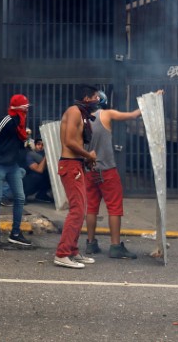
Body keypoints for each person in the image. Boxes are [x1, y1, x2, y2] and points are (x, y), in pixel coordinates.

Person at [84, 90, 163, 259]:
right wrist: (152, 99)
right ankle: (115, 246)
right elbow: (133, 114)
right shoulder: (106, 114)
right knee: (114, 208)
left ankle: (90, 243)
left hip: (89, 170)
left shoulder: (81, 119)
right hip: (107, 170)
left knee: (91, 207)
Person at [54, 85, 100, 269]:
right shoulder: (74, 112)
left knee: (81, 209)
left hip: (76, 164)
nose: (98, 99)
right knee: (77, 210)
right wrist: (89, 155)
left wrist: (86, 159)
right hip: (70, 165)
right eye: (96, 96)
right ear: (87, 98)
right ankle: (62, 253)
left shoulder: (81, 113)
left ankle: (72, 251)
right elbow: (69, 141)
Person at [0, 94, 33, 247]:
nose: (27, 109)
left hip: (13, 165)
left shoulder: (20, 122)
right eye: (25, 106)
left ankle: (15, 233)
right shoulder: (7, 120)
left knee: (20, 198)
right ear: (19, 107)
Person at [24, 139, 53, 203]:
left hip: (39, 180)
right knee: (36, 176)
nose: (40, 146)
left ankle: (41, 195)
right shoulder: (30, 154)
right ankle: (23, 195)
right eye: (38, 144)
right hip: (28, 180)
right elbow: (39, 170)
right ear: (34, 145)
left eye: (42, 145)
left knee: (51, 175)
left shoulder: (42, 154)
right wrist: (46, 156)